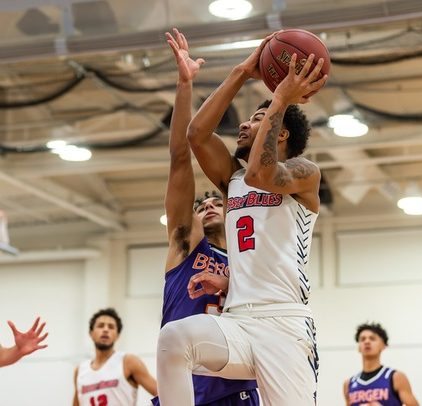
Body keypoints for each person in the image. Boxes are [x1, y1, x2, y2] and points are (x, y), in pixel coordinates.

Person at [156, 32, 328, 406]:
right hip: (237, 322)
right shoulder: (231, 180)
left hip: (285, 324)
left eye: (258, 119)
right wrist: (242, 71)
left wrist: (281, 99)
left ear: (280, 132)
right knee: (174, 339)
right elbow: (196, 135)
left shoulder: (303, 174)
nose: (245, 125)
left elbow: (261, 176)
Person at [151, 29, 259, 406]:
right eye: (202, 204)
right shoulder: (185, 248)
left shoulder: (250, 262)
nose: (209, 205)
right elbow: (180, 157)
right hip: (185, 390)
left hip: (235, 392)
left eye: (218, 202)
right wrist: (185, 85)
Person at [73, 308, 157, 406]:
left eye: (111, 327)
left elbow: (162, 394)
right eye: (100, 326)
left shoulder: (128, 361)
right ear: (91, 333)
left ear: (117, 335)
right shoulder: (79, 370)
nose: (105, 329)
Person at [343, 322, 419, 406]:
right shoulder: (348, 384)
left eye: (372, 338)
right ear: (359, 347)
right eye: (362, 339)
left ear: (383, 345)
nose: (367, 341)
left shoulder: (396, 377)